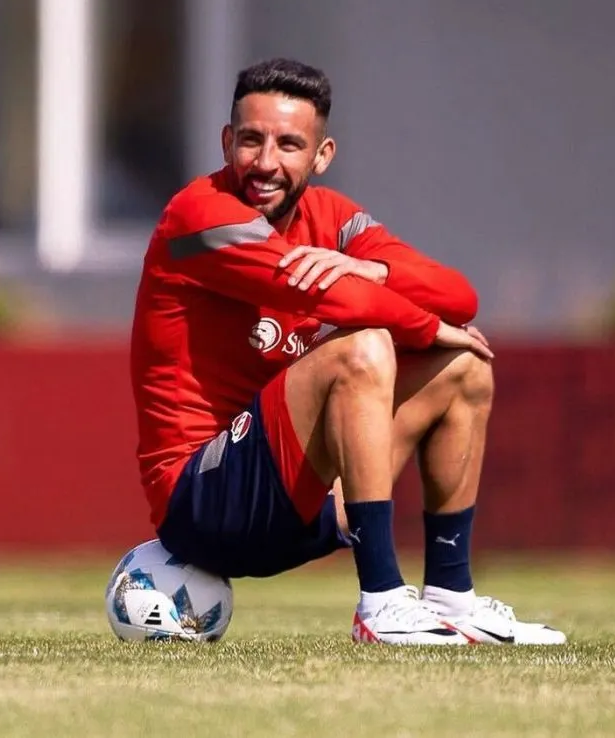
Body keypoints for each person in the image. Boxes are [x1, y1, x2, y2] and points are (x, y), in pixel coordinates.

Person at [129, 57, 565, 645]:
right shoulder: (199, 217)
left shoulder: (333, 218)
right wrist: (422, 325)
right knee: (362, 348)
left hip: (299, 507)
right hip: (202, 505)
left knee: (464, 368)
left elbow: (459, 295)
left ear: (321, 154)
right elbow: (326, 294)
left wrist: (371, 267)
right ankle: (381, 601)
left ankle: (450, 598)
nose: (265, 163)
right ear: (227, 141)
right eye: (251, 141)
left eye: (289, 144)